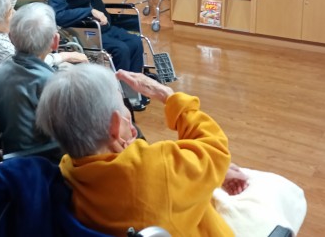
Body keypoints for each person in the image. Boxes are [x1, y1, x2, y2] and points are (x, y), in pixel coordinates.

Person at [36, 64, 307, 237]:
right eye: (124, 106)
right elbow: (215, 147)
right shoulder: (160, 166)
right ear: (116, 126)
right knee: (283, 190)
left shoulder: (66, 171)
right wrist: (167, 95)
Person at [0, 2, 66, 160]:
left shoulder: (1, 69)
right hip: (40, 157)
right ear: (55, 41)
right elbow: (67, 128)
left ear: (11, 37)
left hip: (10, 150)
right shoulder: (48, 82)